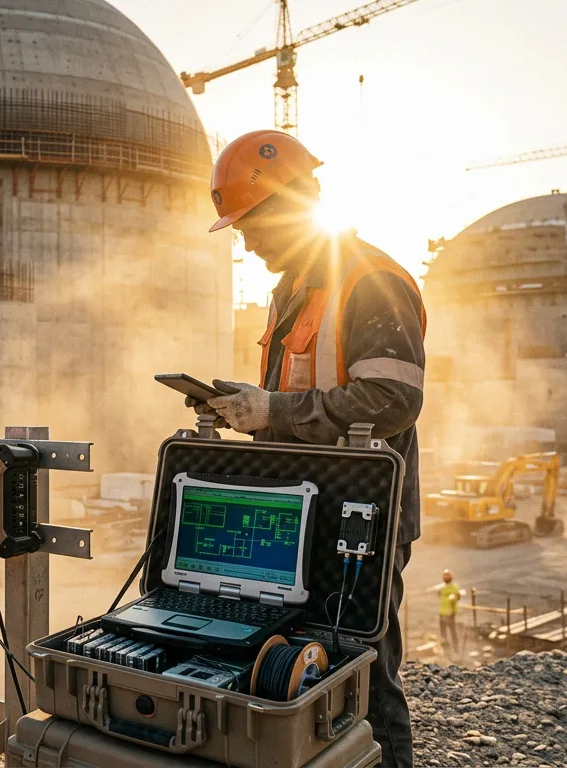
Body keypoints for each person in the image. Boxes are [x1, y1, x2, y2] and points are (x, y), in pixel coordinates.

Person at [198, 130, 426, 768]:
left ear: (286, 207)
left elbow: (392, 400)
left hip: (361, 517)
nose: (246, 242)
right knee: (299, 671)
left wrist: (272, 409)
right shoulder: (290, 291)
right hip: (296, 512)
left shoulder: (369, 279)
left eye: (250, 225)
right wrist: (246, 411)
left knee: (362, 674)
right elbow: (296, 401)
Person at [436, 569, 462, 654]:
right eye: (445, 576)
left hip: (450, 613)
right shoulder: (442, 588)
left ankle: (455, 650)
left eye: (447, 576)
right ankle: (447, 650)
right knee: (444, 633)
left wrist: (454, 597)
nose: (446, 577)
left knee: (451, 632)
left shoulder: (453, 587)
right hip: (443, 613)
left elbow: (458, 597)